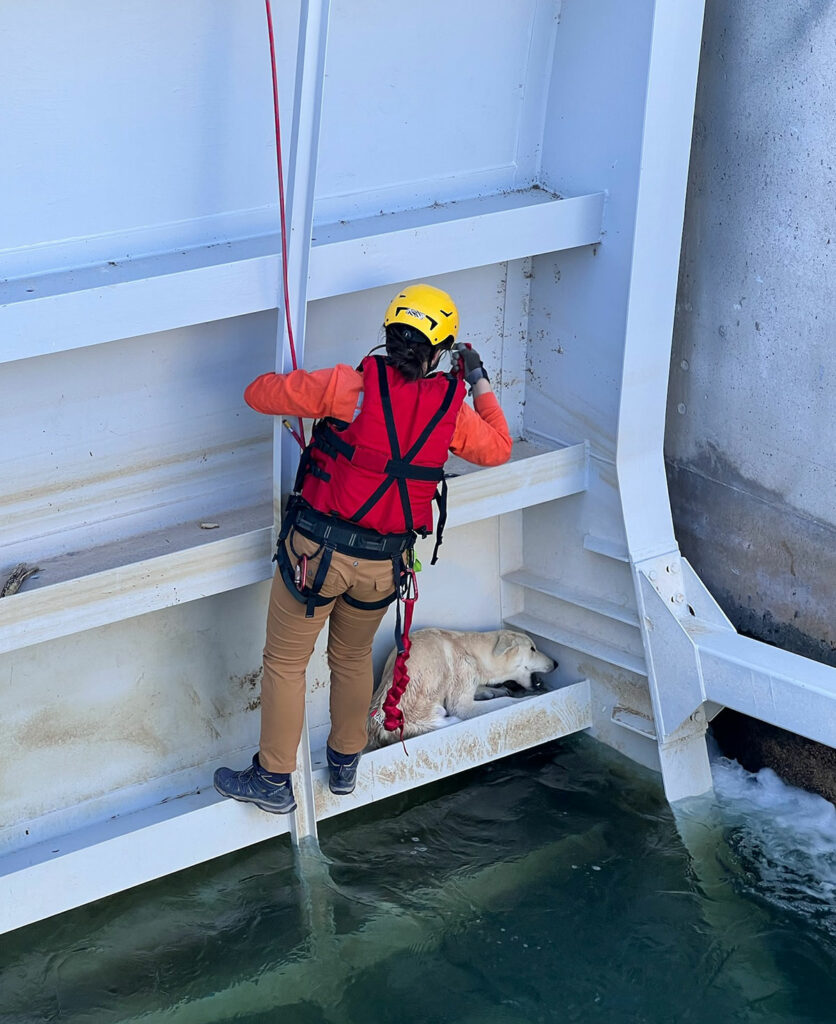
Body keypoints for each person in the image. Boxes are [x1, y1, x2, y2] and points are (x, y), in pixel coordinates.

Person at [214, 283, 512, 813]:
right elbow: (499, 448)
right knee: (350, 656)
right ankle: (347, 763)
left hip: (316, 558)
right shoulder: (453, 412)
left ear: (388, 335)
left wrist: (301, 383)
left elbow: (258, 394)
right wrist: (478, 379)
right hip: (383, 566)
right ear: (442, 350)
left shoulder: (346, 387)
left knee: (286, 660)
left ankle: (272, 779)